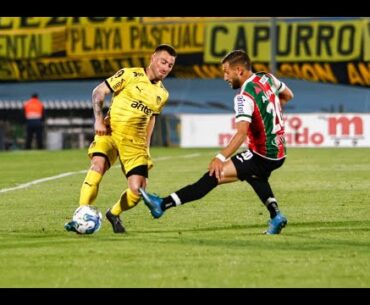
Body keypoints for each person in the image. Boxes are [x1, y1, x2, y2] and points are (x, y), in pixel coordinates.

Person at [140, 49, 294, 235]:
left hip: (262, 155)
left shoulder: (243, 97)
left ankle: (162, 205)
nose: (224, 77)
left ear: (239, 70)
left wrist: (220, 157)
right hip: (279, 151)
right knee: (255, 176)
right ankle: (276, 216)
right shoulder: (266, 78)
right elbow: (287, 95)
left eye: (226, 72)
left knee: (214, 175)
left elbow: (241, 134)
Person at [65, 44, 177, 234]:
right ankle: (81, 214)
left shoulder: (162, 94)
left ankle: (114, 213)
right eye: (163, 61)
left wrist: (147, 147)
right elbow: (98, 91)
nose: (166, 67)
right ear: (153, 58)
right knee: (97, 166)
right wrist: (99, 120)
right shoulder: (129, 75)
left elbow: (151, 119)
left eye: (170, 65)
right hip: (110, 131)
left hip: (135, 143)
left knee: (137, 190)